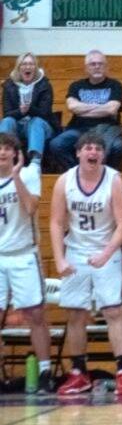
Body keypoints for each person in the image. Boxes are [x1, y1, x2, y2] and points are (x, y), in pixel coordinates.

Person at [49, 131, 122, 397]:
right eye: (88, 148)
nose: (92, 152)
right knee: (75, 313)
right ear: (78, 153)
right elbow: (56, 222)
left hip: (106, 250)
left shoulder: (114, 180)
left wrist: (107, 253)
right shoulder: (64, 181)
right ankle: (78, 373)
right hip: (76, 251)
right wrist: (59, 258)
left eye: (97, 148)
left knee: (113, 311)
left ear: (103, 155)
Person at [0, 133, 53, 394]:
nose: (2, 153)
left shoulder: (29, 174)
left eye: (7, 148)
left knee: (35, 315)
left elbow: (31, 208)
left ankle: (45, 370)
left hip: (23, 254)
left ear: (15, 153)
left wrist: (16, 177)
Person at [48, 50, 122, 172]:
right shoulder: (76, 86)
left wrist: (83, 109)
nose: (97, 67)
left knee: (119, 147)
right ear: (86, 68)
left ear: (105, 67)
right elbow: (72, 107)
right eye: (93, 64)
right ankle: (77, 172)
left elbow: (112, 109)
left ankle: (105, 175)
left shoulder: (115, 85)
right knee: (56, 144)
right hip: (78, 129)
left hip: (106, 128)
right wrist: (101, 107)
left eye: (100, 64)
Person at [1, 52, 57, 163]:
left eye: (31, 64)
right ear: (19, 68)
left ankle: (35, 163)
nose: (27, 67)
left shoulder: (44, 84)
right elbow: (7, 113)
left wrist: (29, 109)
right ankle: (3, 160)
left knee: (35, 122)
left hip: (41, 126)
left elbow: (45, 114)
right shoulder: (9, 85)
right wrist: (21, 111)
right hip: (18, 125)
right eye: (24, 64)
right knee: (7, 121)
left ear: (35, 68)